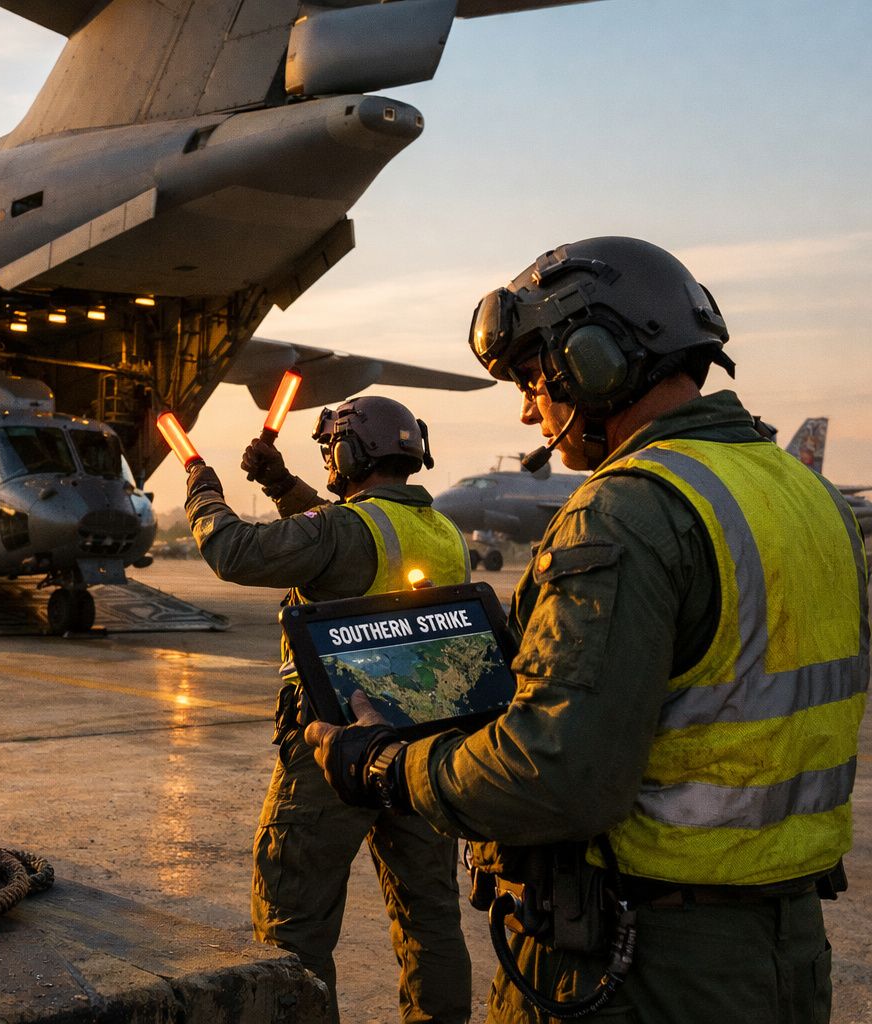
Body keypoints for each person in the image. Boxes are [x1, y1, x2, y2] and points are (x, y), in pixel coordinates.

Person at [305, 236, 869, 1023]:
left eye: (534, 376)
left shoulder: (628, 509)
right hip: (783, 950)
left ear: (593, 360)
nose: (530, 408)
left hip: (640, 965)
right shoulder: (810, 499)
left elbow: (554, 779)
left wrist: (387, 768)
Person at [184, 395, 473, 1024]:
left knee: (294, 929)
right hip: (418, 752)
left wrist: (201, 487)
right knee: (431, 921)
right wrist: (283, 484)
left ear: (349, 451)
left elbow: (235, 551)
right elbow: (346, 544)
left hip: (331, 751)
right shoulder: (439, 529)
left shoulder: (346, 529)